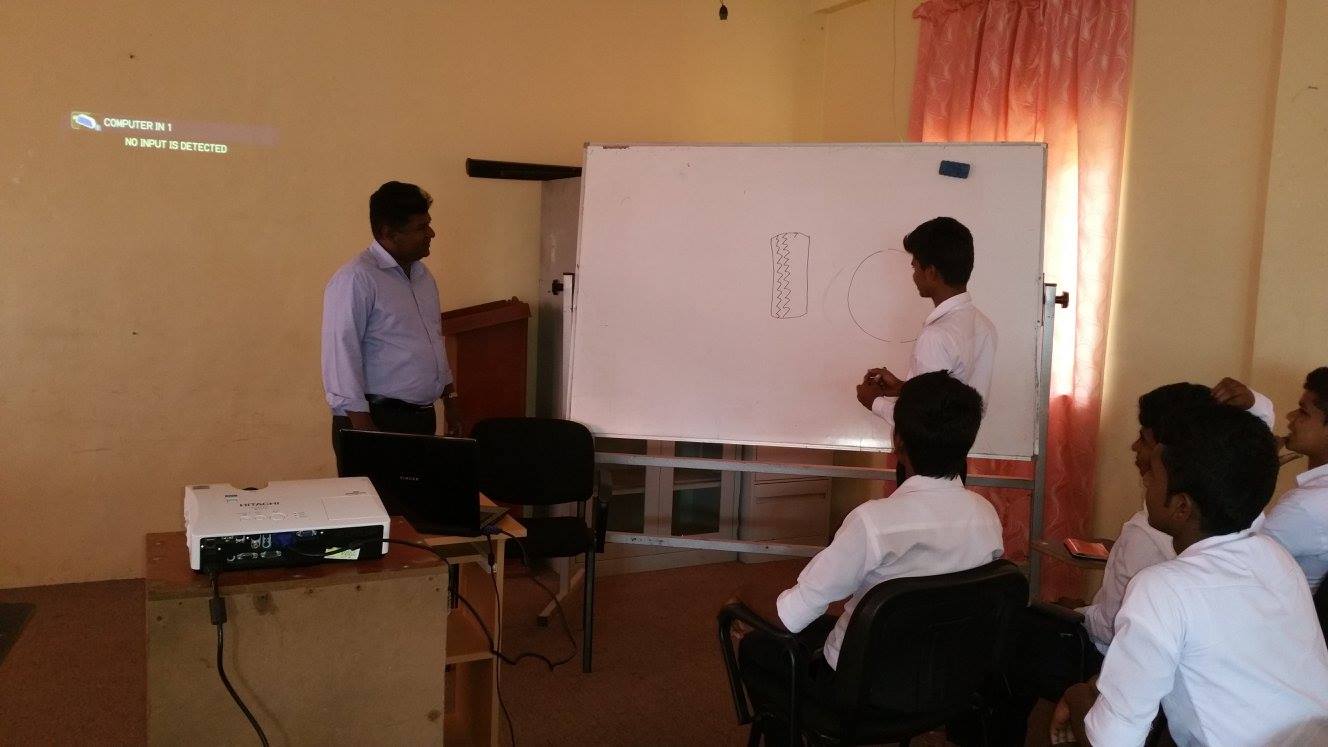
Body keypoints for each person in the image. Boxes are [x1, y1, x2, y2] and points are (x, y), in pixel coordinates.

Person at [730, 371, 1002, 740]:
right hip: (949, 686)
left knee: (757, 648)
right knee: (828, 627)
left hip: (860, 696)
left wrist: (743, 595)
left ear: (898, 441)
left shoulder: (873, 523)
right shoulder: (986, 517)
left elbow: (792, 616)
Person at [1050, 404, 1328, 746]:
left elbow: (1111, 743)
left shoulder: (1162, 588)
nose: (1145, 479)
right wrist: (1099, 685)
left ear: (1182, 506)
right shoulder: (1277, 559)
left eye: (1153, 474)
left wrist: (1077, 696)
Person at [321, 181, 461, 472]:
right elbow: (340, 355)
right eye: (421, 227)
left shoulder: (423, 276)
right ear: (388, 233)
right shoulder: (356, 279)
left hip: (420, 420)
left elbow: (433, 340)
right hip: (374, 420)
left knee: (420, 501)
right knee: (380, 502)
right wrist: (365, 432)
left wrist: (450, 399)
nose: (431, 233)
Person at [854, 217, 996, 434]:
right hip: (954, 450)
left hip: (925, 453)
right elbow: (954, 403)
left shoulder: (936, 336)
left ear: (931, 273)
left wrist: (873, 402)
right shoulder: (984, 326)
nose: (914, 275)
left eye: (915, 267)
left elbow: (924, 421)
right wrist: (905, 388)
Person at [1261, 366, 1328, 592]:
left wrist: (1256, 476)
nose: (1290, 418)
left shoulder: (1306, 506)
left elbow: (1239, 564)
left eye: (1303, 412)